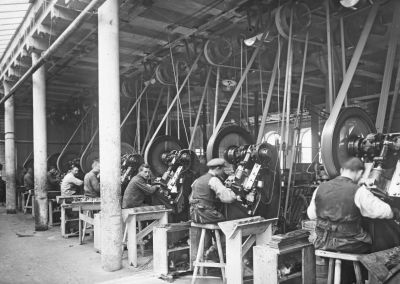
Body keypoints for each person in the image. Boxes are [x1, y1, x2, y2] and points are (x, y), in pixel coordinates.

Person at [307, 157, 399, 284]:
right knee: (383, 240)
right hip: (350, 244)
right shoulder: (358, 191)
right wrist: (395, 212)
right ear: (360, 173)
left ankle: (348, 278)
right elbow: (383, 211)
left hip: (323, 242)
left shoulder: (320, 188)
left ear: (341, 170)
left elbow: (311, 215)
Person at [189, 158, 240, 224]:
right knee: (228, 219)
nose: (223, 172)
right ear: (218, 168)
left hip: (194, 214)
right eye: (222, 169)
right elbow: (228, 198)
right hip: (206, 215)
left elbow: (191, 198)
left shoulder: (198, 180)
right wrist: (233, 193)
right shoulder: (213, 179)